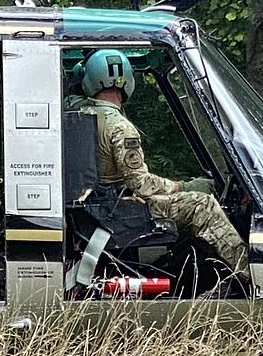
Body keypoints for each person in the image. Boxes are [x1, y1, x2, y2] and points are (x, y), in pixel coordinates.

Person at [78, 49, 250, 297]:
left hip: (98, 208)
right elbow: (140, 184)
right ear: (126, 80)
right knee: (202, 205)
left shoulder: (81, 116)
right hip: (120, 210)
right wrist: (182, 186)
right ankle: (251, 276)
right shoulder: (120, 127)